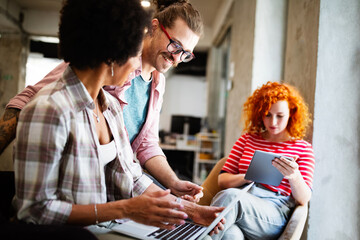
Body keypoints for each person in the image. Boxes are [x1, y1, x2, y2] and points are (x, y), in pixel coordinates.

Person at [14, 0, 225, 232]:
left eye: (185, 54)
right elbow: (36, 209)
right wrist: (128, 209)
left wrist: (192, 210)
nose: (138, 64)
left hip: (108, 221)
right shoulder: (52, 109)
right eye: (135, 52)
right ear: (113, 54)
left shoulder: (111, 107)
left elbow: (132, 173)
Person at [210, 82, 315, 240]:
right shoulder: (247, 139)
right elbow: (222, 180)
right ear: (260, 114)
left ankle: (196, 234)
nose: (273, 122)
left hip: (274, 211)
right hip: (243, 199)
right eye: (267, 115)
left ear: (291, 114)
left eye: (280, 116)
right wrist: (248, 176)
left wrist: (294, 176)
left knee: (231, 197)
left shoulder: (302, 148)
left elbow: (304, 199)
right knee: (231, 235)